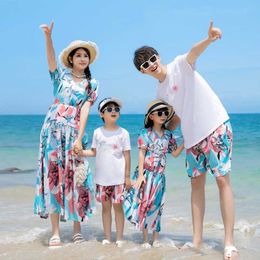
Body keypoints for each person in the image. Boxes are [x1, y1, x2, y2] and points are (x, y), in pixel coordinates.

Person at [133, 21, 238, 259]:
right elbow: (175, 121)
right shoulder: (159, 94)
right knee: (196, 186)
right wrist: (152, 135)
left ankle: (229, 242)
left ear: (158, 57)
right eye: (145, 65)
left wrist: (209, 38)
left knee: (222, 180)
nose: (151, 65)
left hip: (214, 126)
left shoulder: (180, 64)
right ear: (143, 72)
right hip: (191, 139)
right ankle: (197, 241)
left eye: (152, 59)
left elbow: (194, 52)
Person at [34, 21, 99, 247]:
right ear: (71, 58)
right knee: (54, 178)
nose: (82, 58)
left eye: (85, 55)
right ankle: (55, 232)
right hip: (52, 132)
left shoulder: (92, 84)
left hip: (73, 133)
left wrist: (80, 138)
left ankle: (77, 228)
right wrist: (48, 38)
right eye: (78, 55)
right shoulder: (60, 77)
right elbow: (51, 60)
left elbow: (85, 111)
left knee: (76, 180)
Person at [124, 99, 184, 248]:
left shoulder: (168, 135)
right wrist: (140, 176)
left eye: (165, 113)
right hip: (147, 175)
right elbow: (141, 154)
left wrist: (186, 142)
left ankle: (156, 239)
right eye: (160, 113)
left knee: (158, 207)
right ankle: (145, 239)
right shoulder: (145, 133)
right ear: (151, 116)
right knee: (145, 205)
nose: (163, 115)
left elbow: (175, 153)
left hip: (160, 177)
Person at [80, 97, 131, 247]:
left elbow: (127, 156)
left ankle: (120, 237)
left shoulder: (123, 133)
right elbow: (94, 152)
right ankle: (108, 237)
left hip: (119, 179)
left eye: (116, 109)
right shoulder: (97, 133)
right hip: (102, 179)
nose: (114, 111)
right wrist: (80, 152)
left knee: (118, 208)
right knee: (106, 208)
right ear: (102, 114)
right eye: (109, 109)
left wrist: (127, 177)